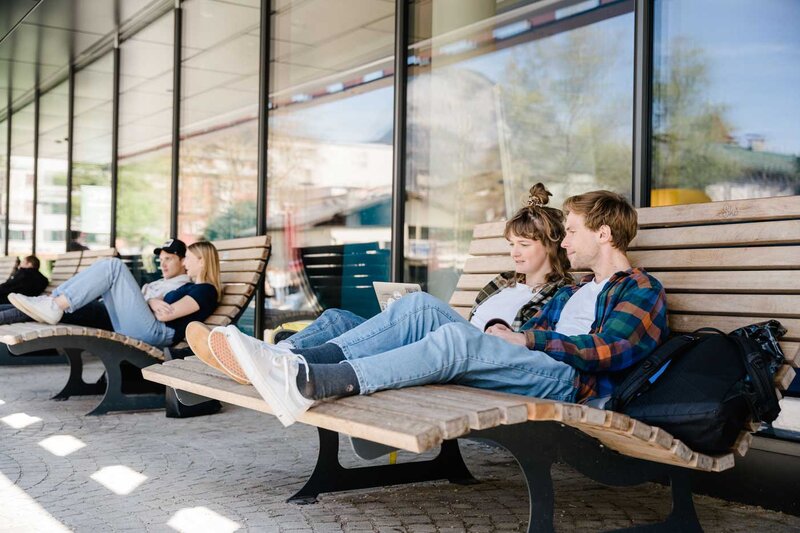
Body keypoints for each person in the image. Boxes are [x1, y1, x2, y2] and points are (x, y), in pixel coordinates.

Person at [209, 189, 667, 428]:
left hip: (568, 382)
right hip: (530, 362)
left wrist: (525, 337)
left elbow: (613, 349)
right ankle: (290, 360)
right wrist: (508, 332)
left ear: (604, 234)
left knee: (454, 340)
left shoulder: (641, 289)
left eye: (572, 232)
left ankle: (312, 381)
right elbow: (530, 325)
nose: (564, 242)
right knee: (419, 307)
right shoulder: (579, 289)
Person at [189, 183, 574, 386]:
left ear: (552, 245)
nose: (514, 253)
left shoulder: (560, 296)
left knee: (419, 306)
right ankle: (273, 354)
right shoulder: (501, 283)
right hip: (447, 343)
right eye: (511, 245)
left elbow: (524, 344)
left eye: (524, 245)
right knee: (338, 318)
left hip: (479, 355)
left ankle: (275, 363)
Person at [8, 241, 221, 347]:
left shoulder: (206, 291)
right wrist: (153, 301)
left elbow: (166, 315)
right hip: (146, 326)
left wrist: (155, 304)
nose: (185, 262)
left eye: (188, 258)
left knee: (113, 266)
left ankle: (54, 304)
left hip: (157, 332)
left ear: (202, 261)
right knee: (108, 268)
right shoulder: (189, 288)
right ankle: (54, 302)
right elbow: (161, 305)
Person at [0, 239, 193, 328]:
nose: (162, 264)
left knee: (40, 310)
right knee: (35, 306)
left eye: (169, 259)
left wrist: (150, 301)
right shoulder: (160, 282)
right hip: (109, 308)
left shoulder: (182, 287)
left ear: (183, 261)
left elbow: (162, 312)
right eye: (161, 259)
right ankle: (52, 302)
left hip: (118, 318)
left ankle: (51, 303)